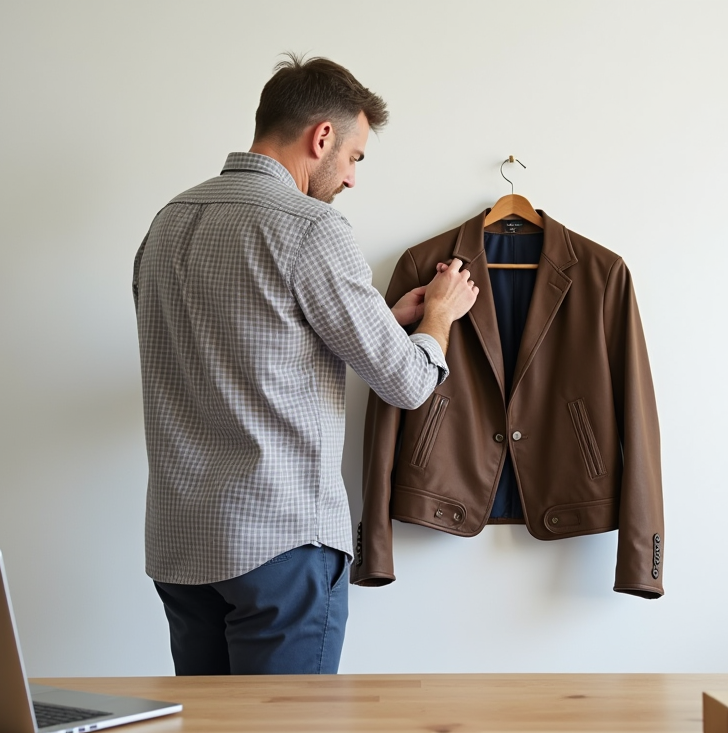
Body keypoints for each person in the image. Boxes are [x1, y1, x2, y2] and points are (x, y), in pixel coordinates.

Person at [133, 53, 478, 676]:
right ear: (322, 137)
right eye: (355, 157)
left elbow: (235, 341)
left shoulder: (169, 222)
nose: (351, 179)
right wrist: (439, 319)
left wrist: (382, 320)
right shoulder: (312, 228)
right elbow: (407, 384)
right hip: (280, 545)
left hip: (181, 544)